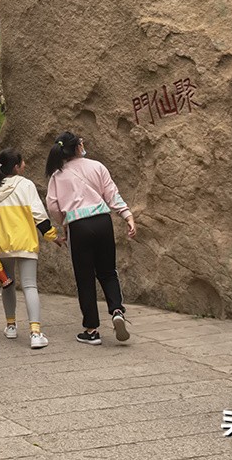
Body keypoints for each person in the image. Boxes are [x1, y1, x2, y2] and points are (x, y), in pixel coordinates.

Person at [45, 131, 137, 346]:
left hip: (79, 226)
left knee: (84, 278)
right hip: (103, 222)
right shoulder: (97, 166)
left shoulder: (57, 176)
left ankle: (92, 330)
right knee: (108, 272)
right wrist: (128, 216)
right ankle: (116, 310)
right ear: (78, 147)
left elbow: (52, 205)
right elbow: (112, 194)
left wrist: (64, 223)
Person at [0, 148, 58, 349]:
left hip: (2, 244)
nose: (25, 165)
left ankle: (11, 326)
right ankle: (35, 333)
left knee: (7, 284)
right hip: (24, 241)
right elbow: (39, 215)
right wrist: (52, 236)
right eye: (22, 163)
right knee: (29, 285)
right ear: (16, 167)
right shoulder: (26, 185)